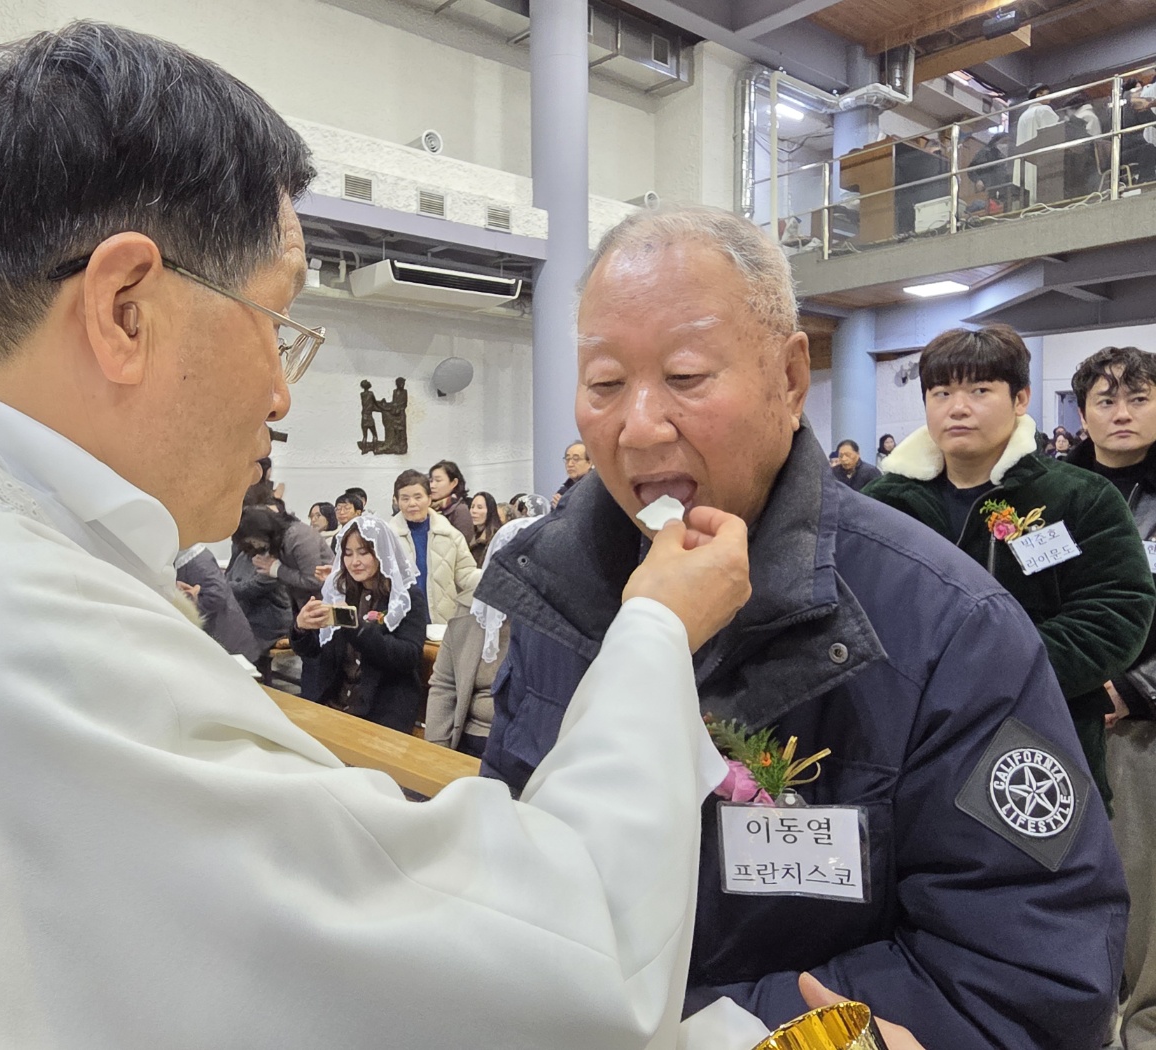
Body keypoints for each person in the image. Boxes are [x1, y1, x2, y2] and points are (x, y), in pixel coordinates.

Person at [0, 22, 793, 1050]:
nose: (280, 389)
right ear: (124, 308)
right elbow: (571, 960)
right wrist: (655, 628)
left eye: (688, 378)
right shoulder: (23, 638)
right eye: (274, 317)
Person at [475, 205, 1129, 1049]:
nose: (638, 423)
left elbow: (1027, 972)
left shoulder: (946, 626)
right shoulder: (555, 593)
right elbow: (510, 854)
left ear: (790, 381)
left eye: (684, 376)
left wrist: (719, 1030)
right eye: (604, 384)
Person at [865, 325, 1154, 811]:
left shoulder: (1078, 496)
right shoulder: (881, 505)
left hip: (1043, 744)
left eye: (980, 390)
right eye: (942, 392)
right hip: (906, 744)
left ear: (1020, 398)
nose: (958, 407)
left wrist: (980, 672)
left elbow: (1115, 612)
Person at [1064, 345, 1156, 1050]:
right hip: (1063, 715)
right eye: (1105, 400)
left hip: (1141, 724)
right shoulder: (1050, 495)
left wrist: (1134, 687)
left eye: (1138, 398)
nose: (1121, 413)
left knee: (1142, 879)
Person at [292, 516, 427, 732]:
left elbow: (408, 657)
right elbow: (314, 651)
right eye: (347, 553)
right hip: (335, 703)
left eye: (364, 552)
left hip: (381, 710)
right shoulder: (342, 591)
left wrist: (356, 628)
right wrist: (301, 628)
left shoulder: (406, 598)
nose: (355, 561)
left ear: (381, 552)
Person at [427, 517, 540, 756]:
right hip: (472, 737)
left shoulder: (555, 621)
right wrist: (436, 752)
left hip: (527, 747)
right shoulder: (470, 610)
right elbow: (444, 685)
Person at [389, 468, 481, 625]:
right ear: (396, 501)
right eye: (405, 498)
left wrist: (492, 580)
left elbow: (466, 574)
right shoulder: (388, 537)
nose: (412, 504)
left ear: (429, 499)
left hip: (441, 622)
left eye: (418, 497)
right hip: (401, 624)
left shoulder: (450, 535)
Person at [226, 507, 295, 663]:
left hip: (269, 622)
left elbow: (251, 588)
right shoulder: (245, 553)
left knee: (233, 636)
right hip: (248, 614)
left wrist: (223, 586)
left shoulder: (275, 556)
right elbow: (229, 577)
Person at [175, 542, 264, 663]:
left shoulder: (196, 559)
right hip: (218, 636)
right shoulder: (187, 559)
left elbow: (216, 595)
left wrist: (186, 607)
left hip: (227, 637)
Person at [1014, 85, 1060, 206]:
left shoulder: (1023, 116)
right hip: (1042, 162)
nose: (1050, 97)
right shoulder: (1044, 110)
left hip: (1025, 161)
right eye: (1047, 94)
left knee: (1028, 189)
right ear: (1038, 95)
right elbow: (1055, 133)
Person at [429, 459, 474, 544]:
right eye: (431, 481)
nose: (432, 485)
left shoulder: (460, 510)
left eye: (438, 481)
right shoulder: (428, 508)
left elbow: (463, 544)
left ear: (453, 483)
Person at [552, 441, 592, 507]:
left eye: (576, 459)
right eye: (567, 459)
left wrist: (564, 510)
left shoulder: (596, 489)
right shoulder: (564, 491)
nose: (570, 464)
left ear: (590, 462)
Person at [467, 490, 501, 567]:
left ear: (490, 511)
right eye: (472, 507)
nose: (474, 511)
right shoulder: (469, 535)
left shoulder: (496, 538)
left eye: (479, 507)